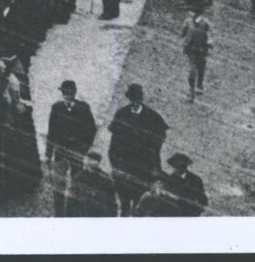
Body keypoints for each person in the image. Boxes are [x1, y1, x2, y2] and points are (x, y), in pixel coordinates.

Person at [107, 84, 169, 216]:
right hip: (124, 164)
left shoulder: (152, 116)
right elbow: (114, 142)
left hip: (143, 165)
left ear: (141, 99)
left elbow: (160, 136)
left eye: (137, 100)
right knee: (124, 202)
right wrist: (114, 163)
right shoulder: (121, 114)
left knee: (139, 201)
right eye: (132, 100)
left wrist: (152, 152)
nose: (134, 103)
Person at [46, 80, 98, 209]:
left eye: (69, 93)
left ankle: (75, 210)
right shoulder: (56, 107)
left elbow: (91, 129)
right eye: (65, 93)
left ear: (74, 93)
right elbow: (51, 131)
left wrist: (84, 147)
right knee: (59, 183)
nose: (67, 96)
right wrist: (48, 153)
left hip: (77, 151)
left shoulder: (83, 107)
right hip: (61, 151)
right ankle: (59, 211)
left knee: (77, 182)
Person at [182, 12, 211, 99]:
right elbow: (210, 41)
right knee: (201, 68)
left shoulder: (190, 26)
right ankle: (199, 86)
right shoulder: (206, 24)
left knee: (193, 69)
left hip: (192, 51)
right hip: (201, 51)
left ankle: (192, 89)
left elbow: (184, 38)